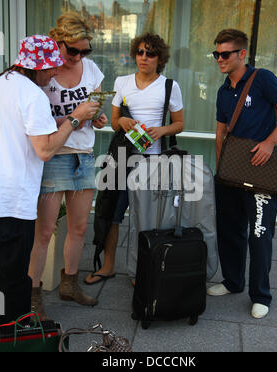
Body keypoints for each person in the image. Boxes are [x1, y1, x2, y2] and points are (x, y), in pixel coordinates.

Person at [0, 35, 99, 325]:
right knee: (13, 278)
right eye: (51, 67)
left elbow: (22, 126)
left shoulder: (4, 82)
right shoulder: (33, 94)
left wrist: (60, 120)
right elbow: (44, 150)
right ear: (36, 68)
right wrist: (76, 119)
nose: (55, 72)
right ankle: (17, 332)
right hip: (13, 199)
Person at [208, 29, 277, 319]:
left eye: (225, 54)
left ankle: (261, 295)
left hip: (261, 172)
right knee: (230, 231)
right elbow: (221, 131)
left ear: (241, 54)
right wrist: (220, 169)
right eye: (216, 54)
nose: (219, 59)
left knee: (259, 236)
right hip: (230, 173)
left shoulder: (262, 79)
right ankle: (233, 282)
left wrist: (270, 143)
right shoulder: (223, 90)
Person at [84, 33, 184, 285]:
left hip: (152, 160)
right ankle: (107, 266)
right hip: (122, 156)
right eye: (140, 52)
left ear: (159, 58)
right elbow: (115, 121)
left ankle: (142, 268)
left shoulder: (169, 86)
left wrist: (161, 130)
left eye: (150, 53)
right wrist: (123, 122)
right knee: (111, 212)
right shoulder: (122, 82)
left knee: (146, 218)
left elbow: (180, 124)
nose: (143, 57)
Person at [28, 12, 108, 317]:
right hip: (55, 157)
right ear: (57, 43)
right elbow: (38, 123)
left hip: (84, 156)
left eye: (84, 51)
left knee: (78, 226)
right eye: (72, 50)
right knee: (45, 231)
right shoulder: (45, 74)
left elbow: (96, 112)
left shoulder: (92, 70)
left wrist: (97, 118)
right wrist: (75, 116)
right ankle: (33, 295)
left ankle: (69, 283)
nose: (78, 56)